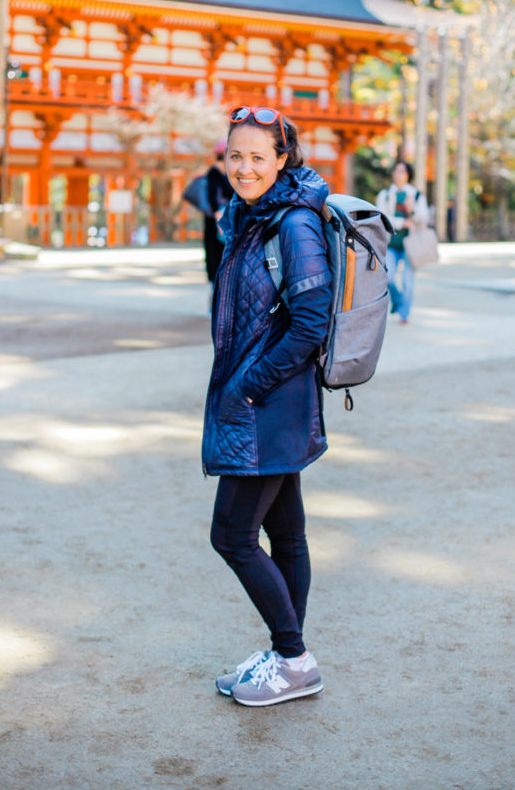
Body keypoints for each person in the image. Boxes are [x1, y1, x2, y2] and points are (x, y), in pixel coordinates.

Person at [202, 105, 332, 707]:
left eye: (258, 156)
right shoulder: (251, 215)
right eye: (236, 156)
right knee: (286, 533)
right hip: (270, 402)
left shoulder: (292, 224)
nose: (245, 167)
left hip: (269, 403)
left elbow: (311, 322)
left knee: (231, 534)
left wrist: (249, 386)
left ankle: (294, 657)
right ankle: (287, 658)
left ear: (283, 160)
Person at [375, 160, 429, 324]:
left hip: (410, 243)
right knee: (389, 278)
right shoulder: (384, 195)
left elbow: (424, 219)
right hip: (391, 242)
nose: (398, 174)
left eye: (402, 171)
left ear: (408, 175)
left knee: (407, 280)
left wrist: (412, 210)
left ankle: (404, 314)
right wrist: (401, 223)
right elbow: (381, 217)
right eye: (396, 171)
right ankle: (398, 302)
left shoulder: (417, 195)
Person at [203, 140, 234, 287]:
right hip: (218, 218)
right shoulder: (215, 172)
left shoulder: (230, 172)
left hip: (226, 216)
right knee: (216, 255)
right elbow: (213, 196)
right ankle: (215, 294)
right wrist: (218, 217)